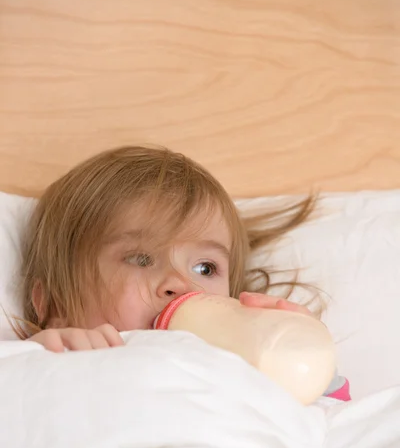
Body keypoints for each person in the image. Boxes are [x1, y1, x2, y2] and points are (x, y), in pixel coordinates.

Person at [15, 146, 349, 400]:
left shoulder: (244, 366)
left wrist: (306, 363)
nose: (181, 283)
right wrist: (37, 358)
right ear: (54, 305)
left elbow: (334, 425)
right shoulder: (56, 359)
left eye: (205, 268)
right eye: (140, 259)